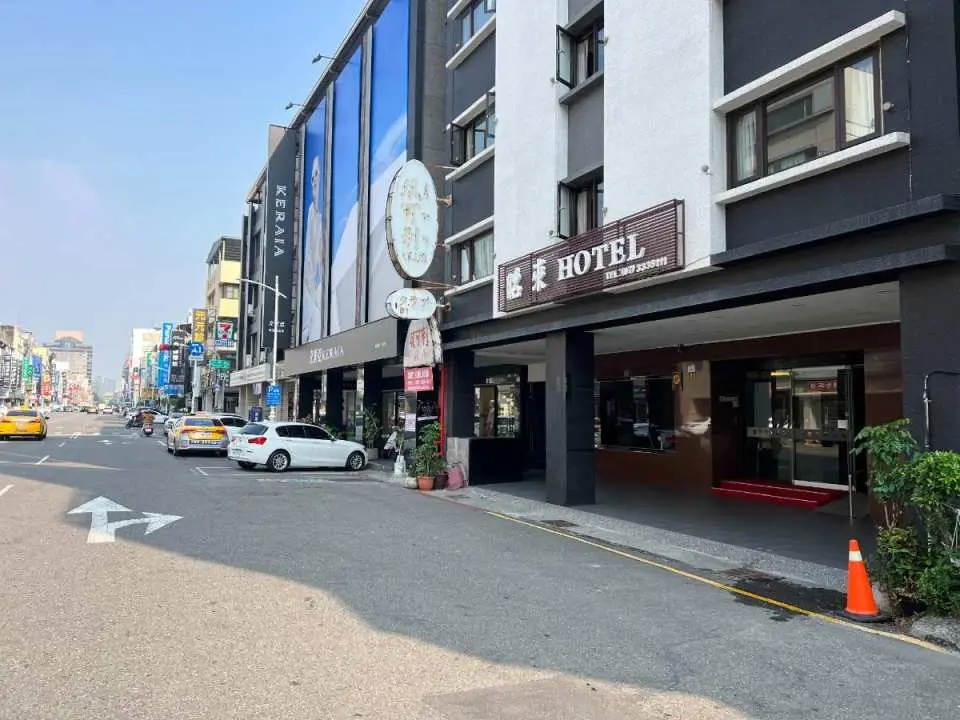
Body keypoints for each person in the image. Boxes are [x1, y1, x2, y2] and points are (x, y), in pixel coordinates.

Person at [302, 154, 324, 343]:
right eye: (313, 176)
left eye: (317, 174)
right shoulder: (311, 213)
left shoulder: (322, 215)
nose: (315, 179)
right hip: (313, 292)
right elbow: (310, 259)